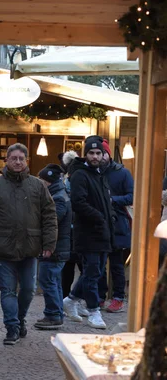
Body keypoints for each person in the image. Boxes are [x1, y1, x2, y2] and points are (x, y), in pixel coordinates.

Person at [0, 143, 57, 346]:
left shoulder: (37, 185)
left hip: (30, 247)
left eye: (21, 158)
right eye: (14, 158)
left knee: (29, 289)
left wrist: (49, 243)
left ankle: (19, 319)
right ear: (7, 160)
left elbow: (49, 215)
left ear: (26, 160)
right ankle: (12, 327)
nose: (18, 162)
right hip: (4, 247)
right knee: (8, 291)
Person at [63, 136, 115, 329]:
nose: (95, 156)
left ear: (103, 155)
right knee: (92, 274)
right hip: (88, 233)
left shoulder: (99, 174)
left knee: (96, 272)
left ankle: (71, 299)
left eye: (98, 153)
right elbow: (78, 203)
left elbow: (105, 202)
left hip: (103, 232)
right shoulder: (79, 175)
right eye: (91, 153)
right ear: (86, 155)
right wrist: (99, 218)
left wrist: (110, 221)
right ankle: (94, 311)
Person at [35, 164, 72, 330]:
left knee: (48, 279)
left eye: (41, 180)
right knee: (53, 281)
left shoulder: (57, 198)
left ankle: (53, 315)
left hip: (55, 248)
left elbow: (51, 221)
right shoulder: (57, 194)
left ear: (48, 181)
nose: (39, 183)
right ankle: (56, 313)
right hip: (58, 247)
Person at [98, 139, 133, 313]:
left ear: (108, 154)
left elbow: (132, 196)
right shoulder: (92, 172)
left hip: (117, 224)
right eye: (96, 153)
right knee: (98, 263)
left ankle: (118, 297)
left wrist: (112, 200)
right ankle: (99, 297)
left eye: (103, 153)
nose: (100, 156)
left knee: (117, 264)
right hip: (97, 223)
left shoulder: (122, 173)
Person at [60, 150, 83, 299]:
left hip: (75, 228)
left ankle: (70, 298)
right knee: (74, 267)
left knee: (77, 267)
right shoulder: (64, 181)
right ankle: (71, 298)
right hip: (72, 228)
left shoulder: (69, 181)